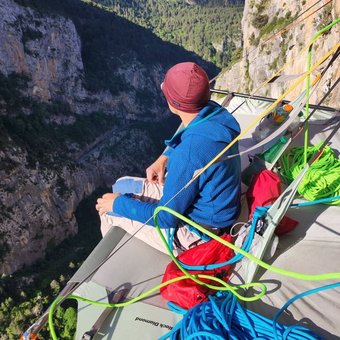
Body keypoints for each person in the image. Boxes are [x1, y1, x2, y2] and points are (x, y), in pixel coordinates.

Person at [96, 62, 241, 255]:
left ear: (172, 103)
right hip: (217, 208)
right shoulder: (217, 113)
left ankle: (120, 270)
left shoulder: (189, 154)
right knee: (121, 185)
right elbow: (192, 132)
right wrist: (164, 157)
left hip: (200, 233)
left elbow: (166, 217)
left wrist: (117, 204)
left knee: (108, 212)